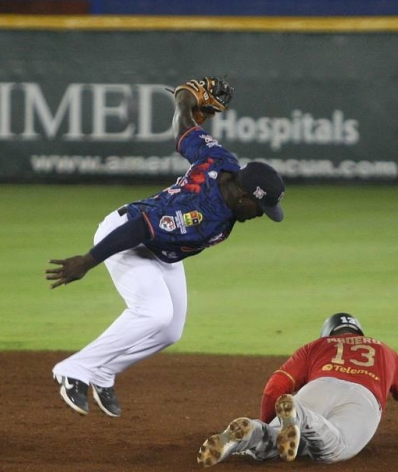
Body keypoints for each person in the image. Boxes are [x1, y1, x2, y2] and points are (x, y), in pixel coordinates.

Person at [45, 77, 286, 418]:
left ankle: (103, 372)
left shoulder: (221, 160)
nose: (260, 216)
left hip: (161, 249)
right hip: (128, 235)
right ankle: (75, 370)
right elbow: (139, 229)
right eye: (260, 209)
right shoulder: (201, 212)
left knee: (170, 329)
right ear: (245, 196)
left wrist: (186, 98)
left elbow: (184, 127)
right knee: (154, 312)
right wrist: (88, 261)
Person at [197, 312, 398, 466]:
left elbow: (274, 387)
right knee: (335, 447)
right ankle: (301, 416)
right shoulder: (385, 351)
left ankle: (254, 431)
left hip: (317, 388)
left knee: (275, 443)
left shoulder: (317, 346)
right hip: (361, 400)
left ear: (329, 333)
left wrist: (271, 424)